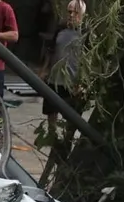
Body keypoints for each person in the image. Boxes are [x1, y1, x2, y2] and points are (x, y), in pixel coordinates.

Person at [41, 0, 85, 132]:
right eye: (69, 12)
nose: (71, 15)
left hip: (72, 82)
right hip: (54, 80)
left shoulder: (86, 33)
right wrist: (44, 70)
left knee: (71, 118)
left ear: (82, 15)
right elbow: (50, 50)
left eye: (75, 12)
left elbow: (88, 60)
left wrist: (82, 82)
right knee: (51, 112)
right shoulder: (60, 29)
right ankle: (52, 135)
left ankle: (66, 140)